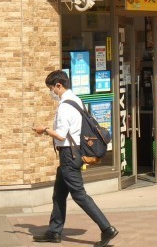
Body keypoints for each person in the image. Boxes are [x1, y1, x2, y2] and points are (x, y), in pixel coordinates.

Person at [31, 70, 119, 246]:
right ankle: (54, 231)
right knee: (59, 195)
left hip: (69, 156)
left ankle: (106, 228)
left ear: (58, 85)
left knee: (79, 195)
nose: (51, 92)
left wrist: (44, 130)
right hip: (73, 153)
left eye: (51, 88)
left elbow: (61, 135)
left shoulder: (65, 106)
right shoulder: (76, 100)